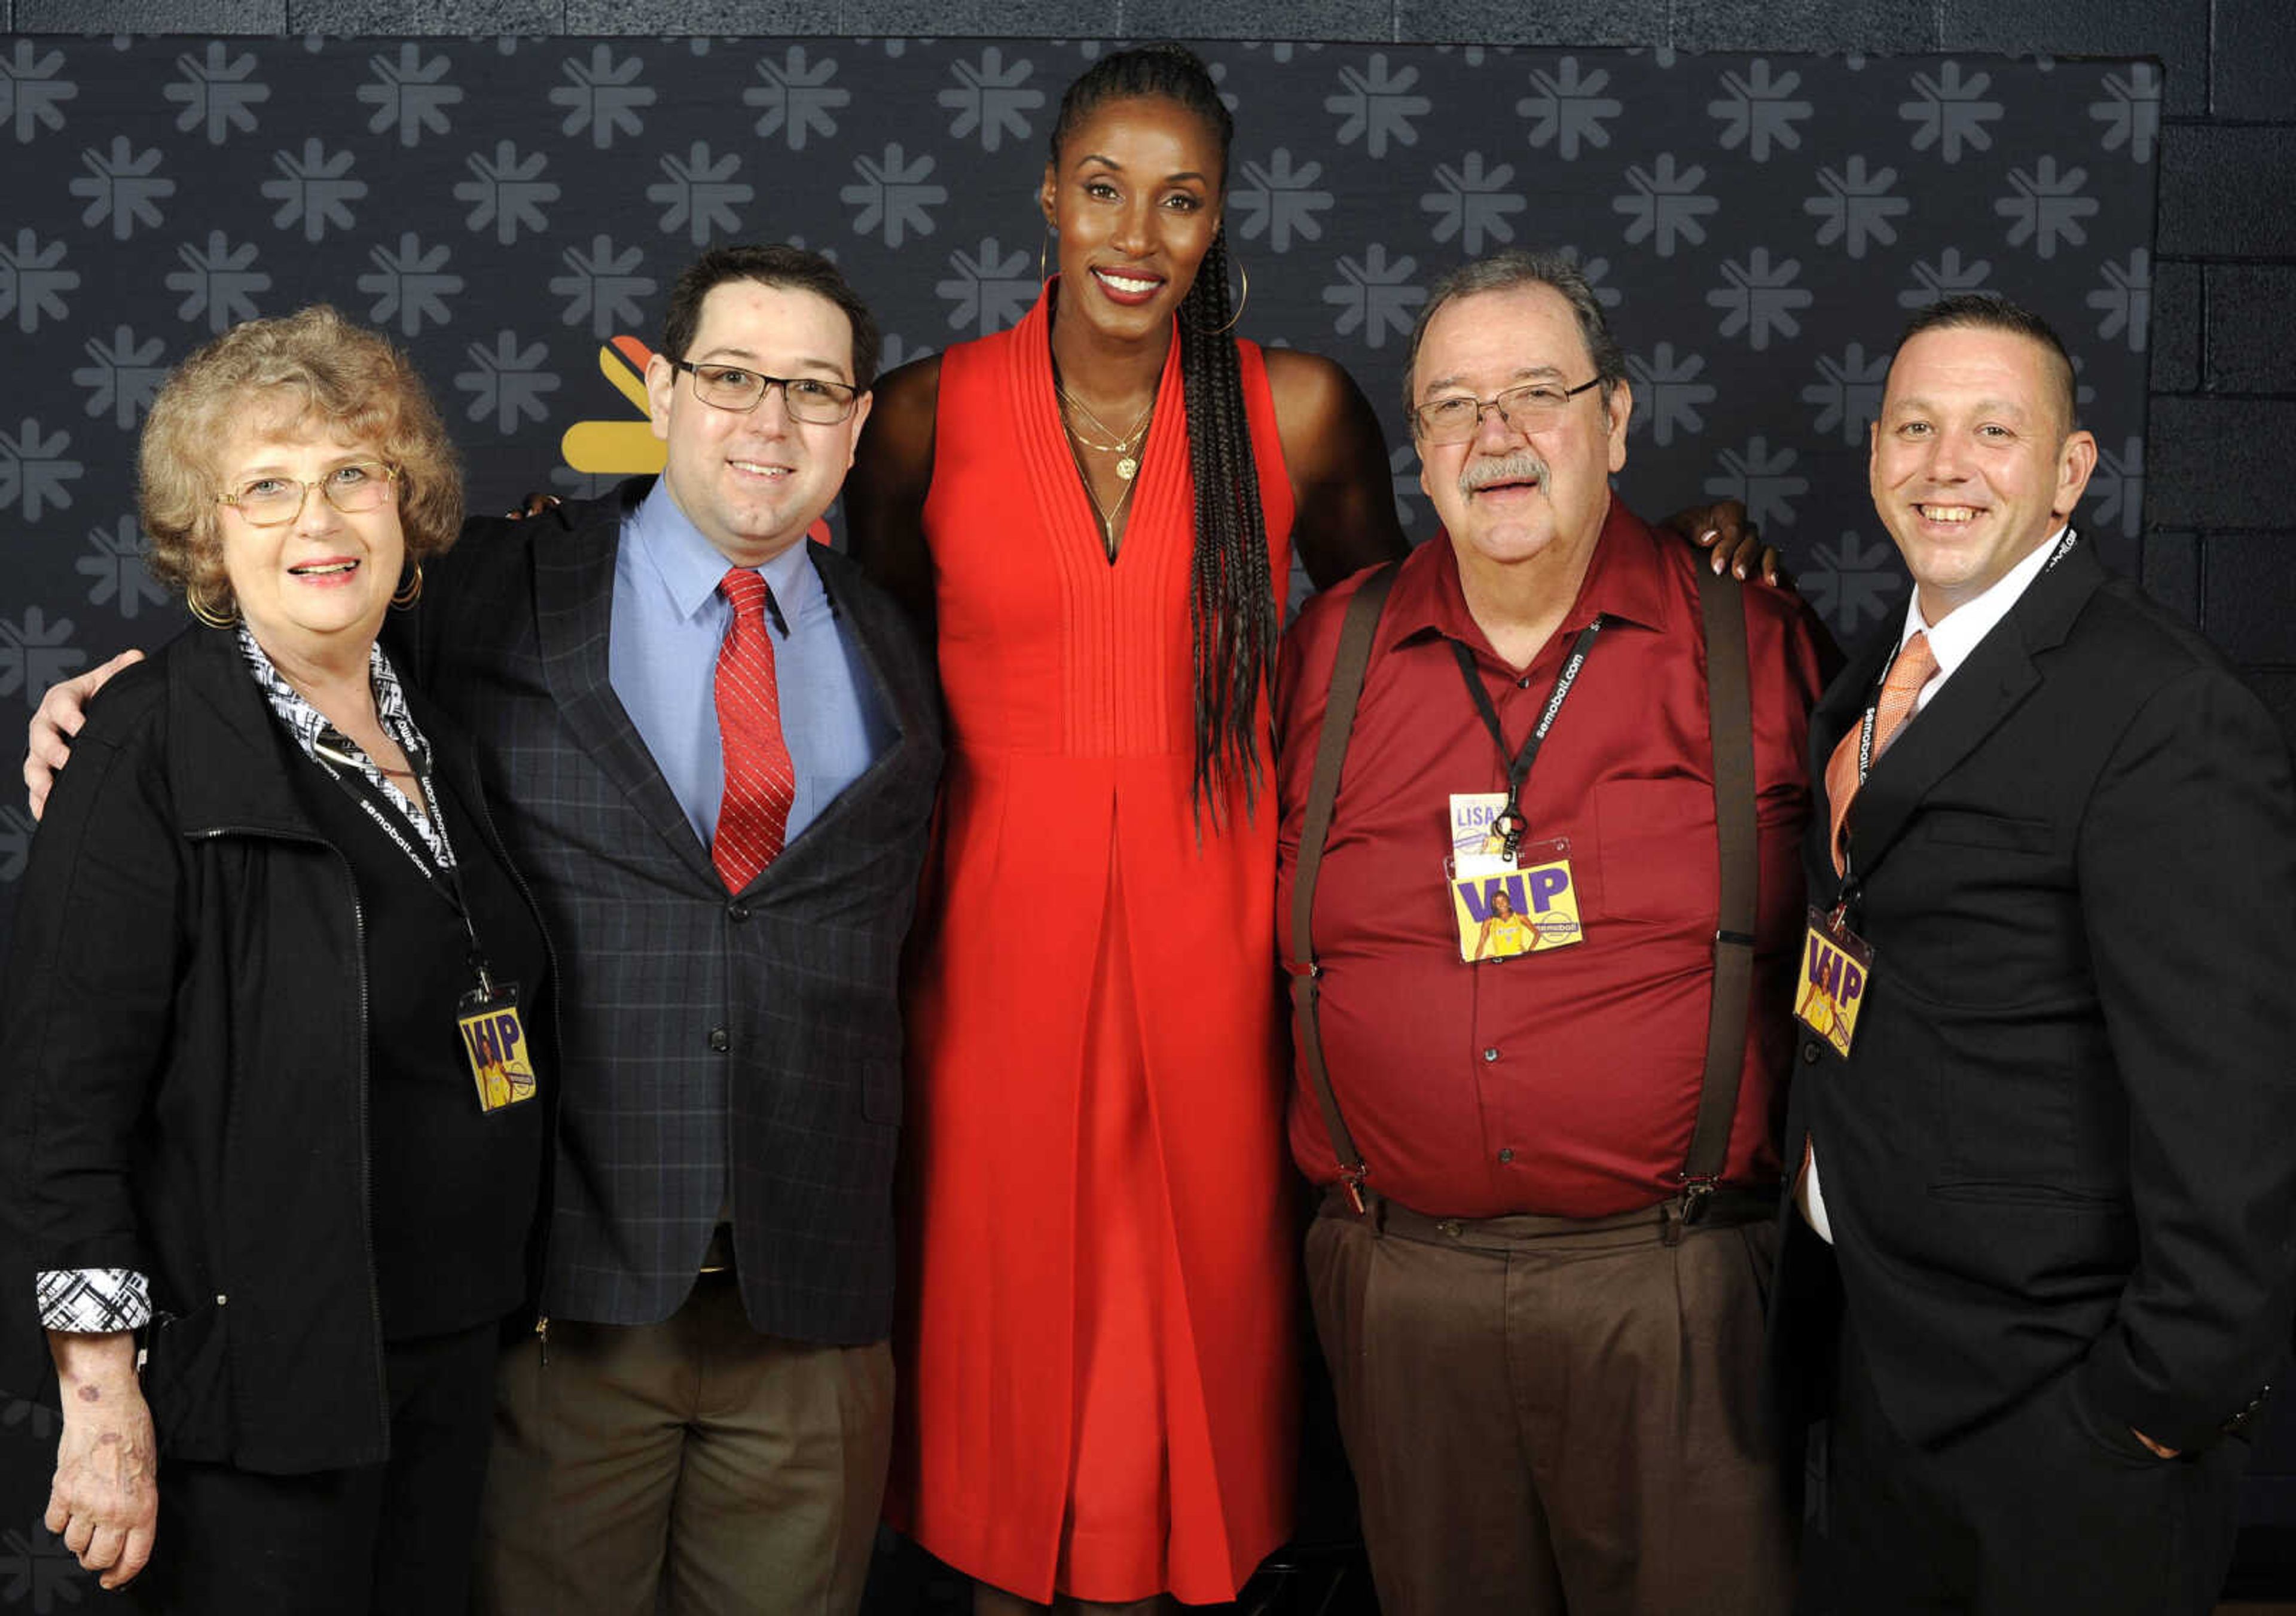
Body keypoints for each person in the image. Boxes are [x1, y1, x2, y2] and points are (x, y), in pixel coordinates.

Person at [845, 47, 1770, 1614]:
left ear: (1222, 216)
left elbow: (1437, 617)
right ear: (1048, 194)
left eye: (1183, 196)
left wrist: (1661, 540)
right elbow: (854, 651)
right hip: (994, 948)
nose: (1138, 233)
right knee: (1004, 1340)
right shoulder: (930, 413)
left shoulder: (1296, 404)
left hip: (1220, 943)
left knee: (1189, 1312)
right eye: (1104, 188)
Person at [23, 245, 945, 1616]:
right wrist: (105, 714)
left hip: (772, 1308)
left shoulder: (906, 644)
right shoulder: (501, 594)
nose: (770, 420)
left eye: (812, 389)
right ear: (662, 386)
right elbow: (60, 1097)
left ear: (859, 423)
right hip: (545, 1319)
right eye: (734, 376)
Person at [1272, 249, 1832, 1616]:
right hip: (1400, 1292)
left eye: (1538, 392)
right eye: (1455, 405)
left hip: (1677, 1293)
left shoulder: (1758, 645)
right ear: (1416, 445)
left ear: (1619, 418)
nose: (1496, 436)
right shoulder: (1326, 651)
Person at [0, 306, 551, 1613]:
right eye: (269, 487)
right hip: (257, 1386)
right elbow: (59, 1111)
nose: (320, 520)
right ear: (209, 531)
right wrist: (101, 1398)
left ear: (405, 504)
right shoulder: (140, 748)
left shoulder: (435, 710)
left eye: (353, 475)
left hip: (444, 1352)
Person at [1775, 294, 2296, 1615]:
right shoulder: (1874, 679)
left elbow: (2228, 1116)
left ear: (2070, 472)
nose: (1945, 466)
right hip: (1880, 1361)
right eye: (1915, 426)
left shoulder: (2164, 715)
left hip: (2058, 1417)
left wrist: (2150, 1410)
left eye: (1993, 430)